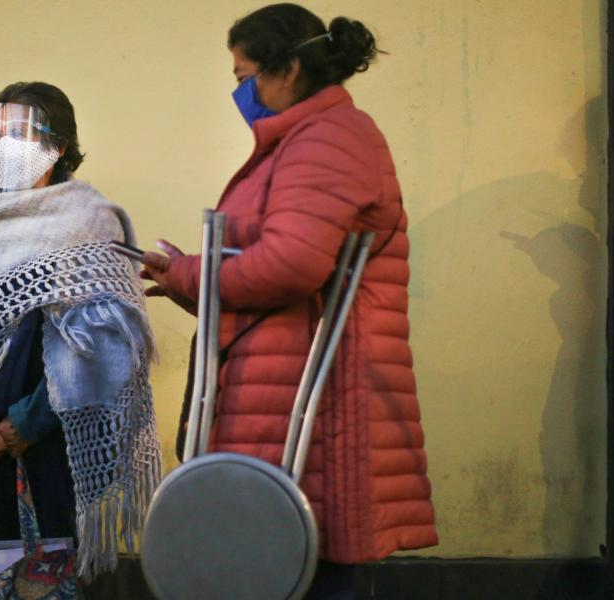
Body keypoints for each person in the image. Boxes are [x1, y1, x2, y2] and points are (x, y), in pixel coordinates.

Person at [141, 5, 438, 598]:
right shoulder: (298, 140)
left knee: (304, 570)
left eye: (243, 75)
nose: (240, 91)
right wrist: (186, 278)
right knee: (271, 565)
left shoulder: (329, 138)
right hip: (276, 394)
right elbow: (273, 275)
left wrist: (191, 274)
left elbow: (293, 265)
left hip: (314, 404)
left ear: (290, 68)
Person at [0, 81, 161, 578]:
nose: (7, 145)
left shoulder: (87, 221)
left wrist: (29, 420)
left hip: (51, 445)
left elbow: (107, 342)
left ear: (58, 145)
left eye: (22, 133)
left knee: (47, 577)